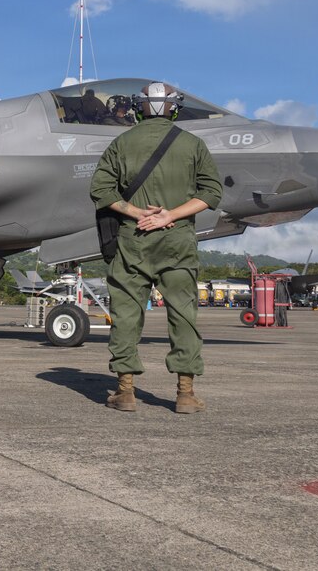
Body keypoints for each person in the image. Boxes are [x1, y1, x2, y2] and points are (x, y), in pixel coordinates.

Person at [89, 82, 222, 413]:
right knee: (183, 315)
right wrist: (169, 216)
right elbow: (212, 193)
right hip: (177, 241)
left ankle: (125, 392)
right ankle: (186, 394)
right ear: (173, 107)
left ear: (140, 107)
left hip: (134, 239)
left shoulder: (121, 143)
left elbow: (101, 190)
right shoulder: (193, 144)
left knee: (127, 316)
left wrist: (137, 212)